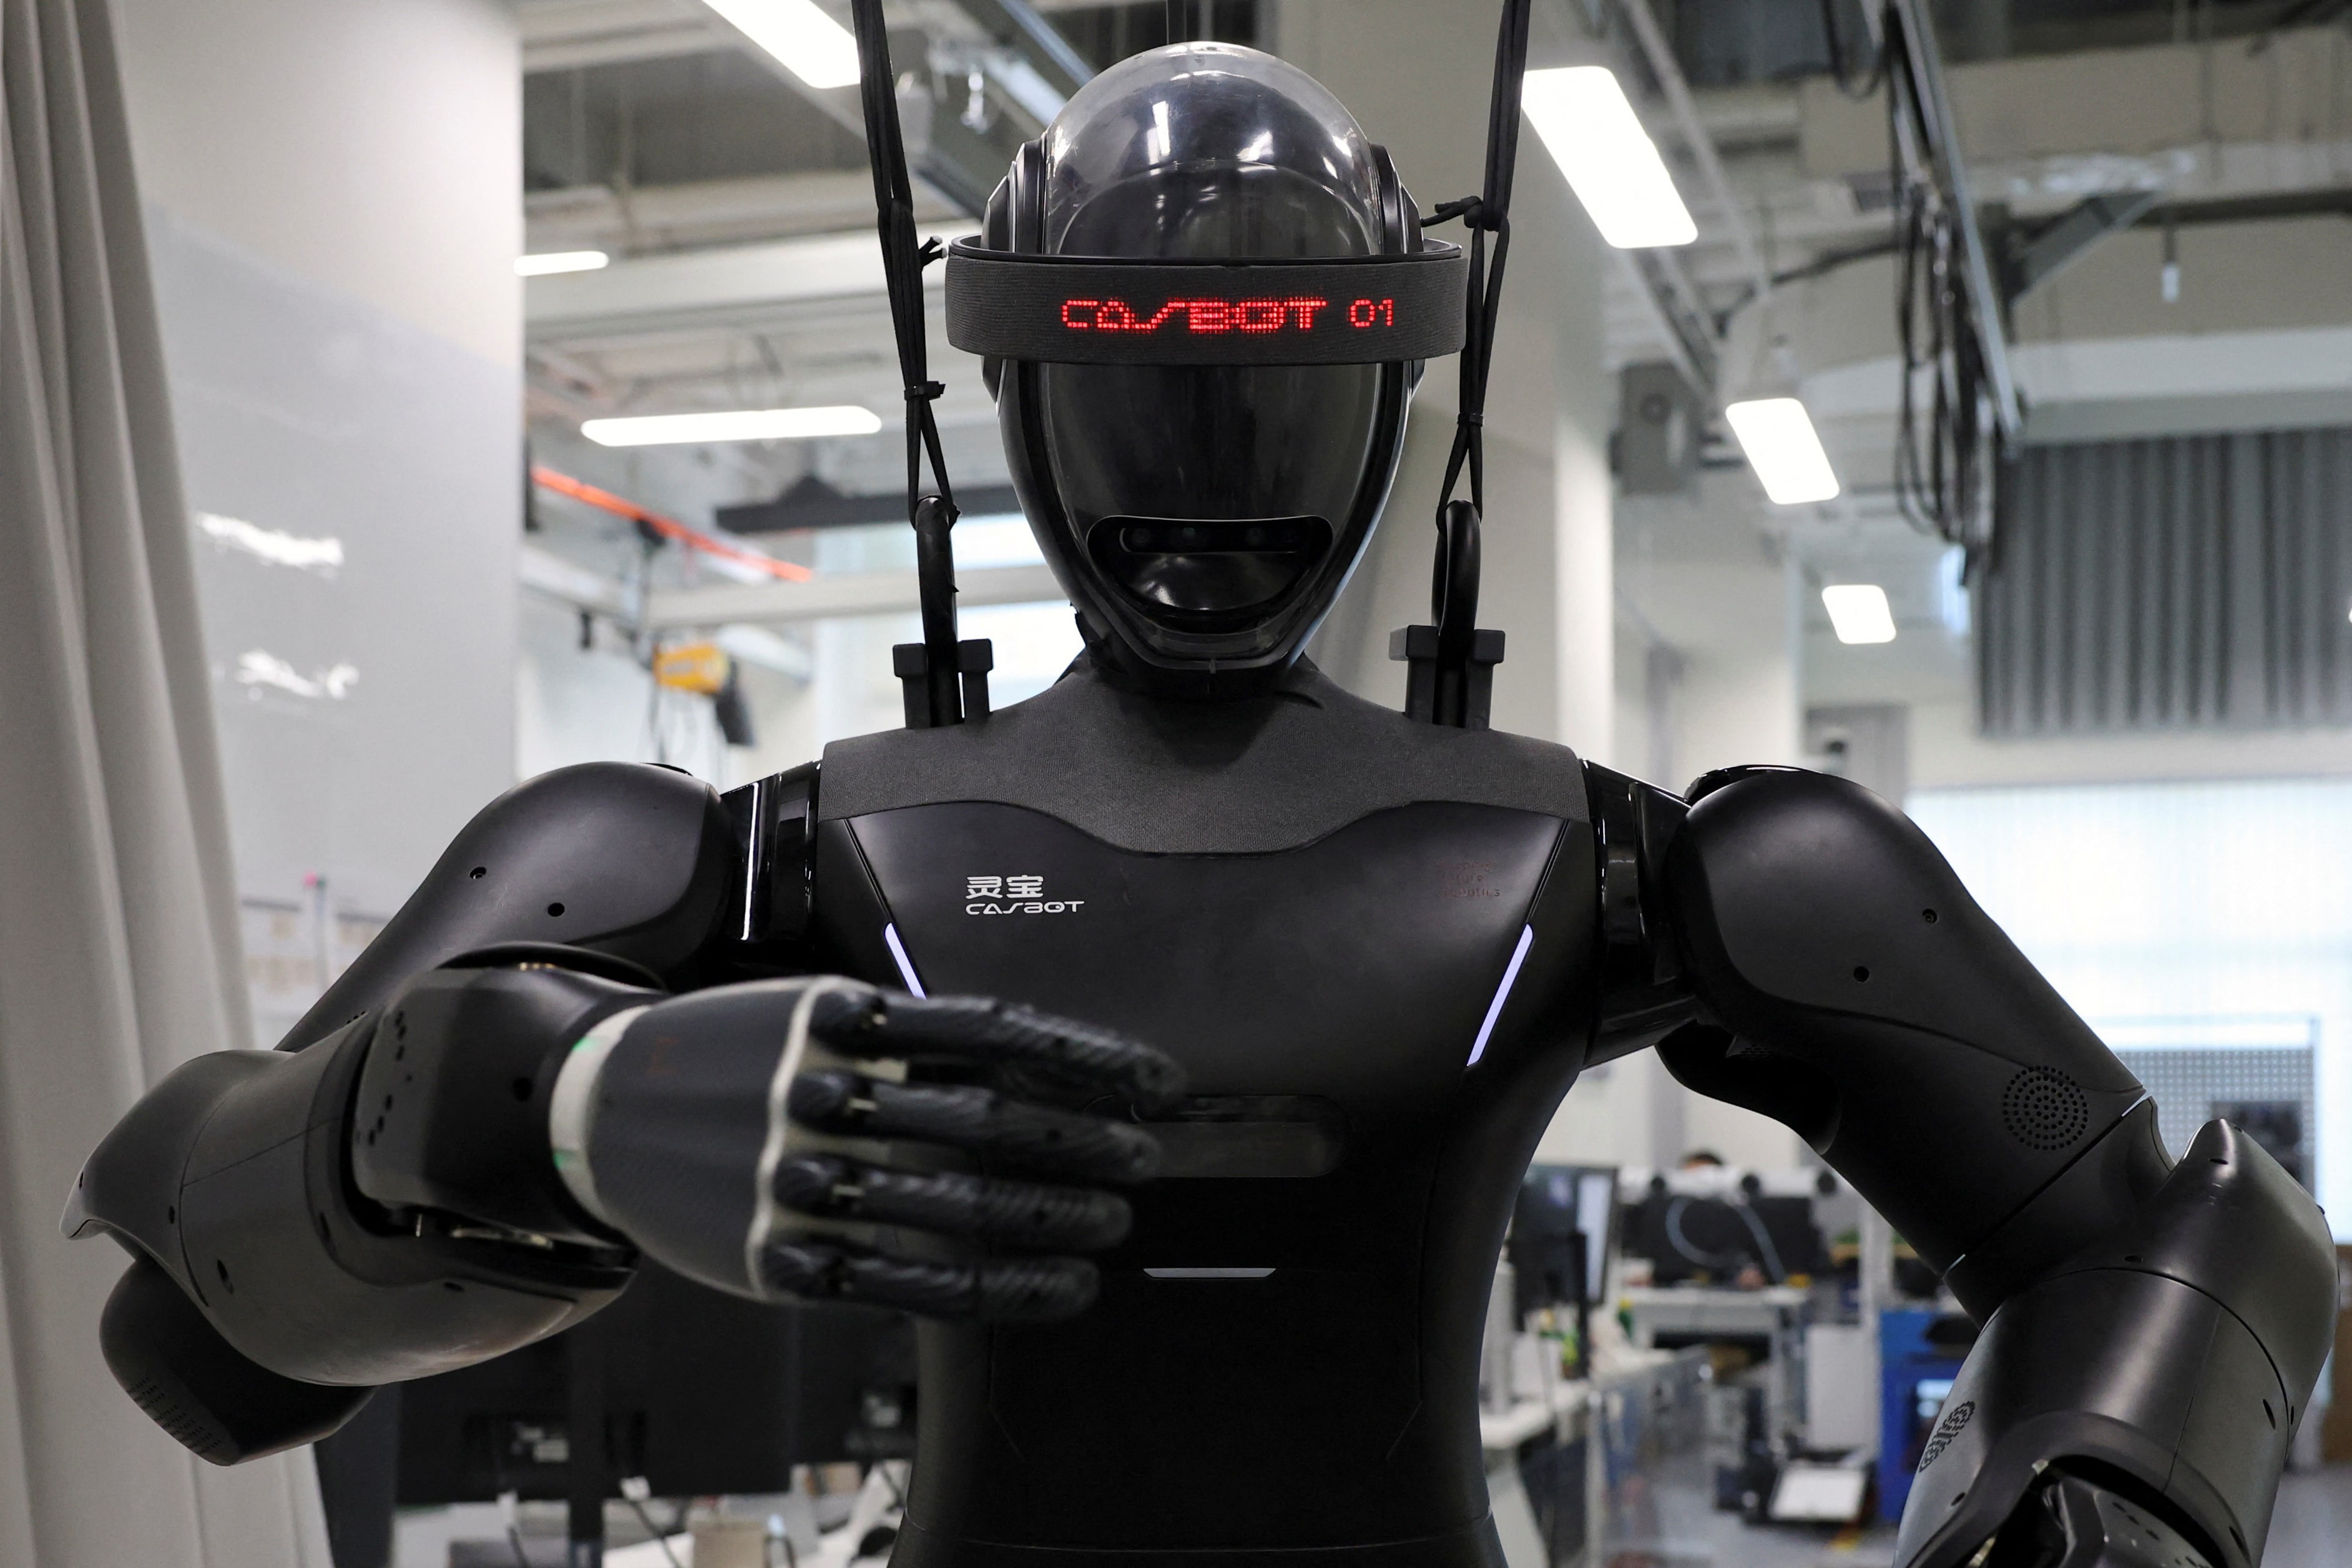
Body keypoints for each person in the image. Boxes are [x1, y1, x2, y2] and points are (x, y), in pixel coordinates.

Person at [67, 36, 2335, 1568]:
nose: (1214, 483)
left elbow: (2188, 1250)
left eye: (1268, 395)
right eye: (1153, 398)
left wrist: (2096, 1499)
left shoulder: (1662, 867)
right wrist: (540, 1104)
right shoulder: (721, 856)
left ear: (1386, 392)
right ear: (1026, 397)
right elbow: (196, 1332)